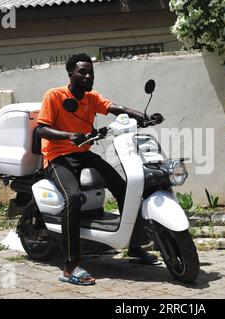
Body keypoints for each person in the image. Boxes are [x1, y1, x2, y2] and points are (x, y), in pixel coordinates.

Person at [37, 53, 162, 286]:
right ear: (70, 74)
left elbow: (117, 108)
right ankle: (69, 266)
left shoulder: (91, 98)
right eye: (82, 72)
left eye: (90, 72)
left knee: (125, 189)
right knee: (72, 197)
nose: (87, 76)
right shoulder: (54, 96)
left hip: (83, 153)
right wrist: (69, 135)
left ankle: (134, 247)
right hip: (58, 157)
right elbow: (41, 130)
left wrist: (144, 117)